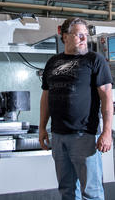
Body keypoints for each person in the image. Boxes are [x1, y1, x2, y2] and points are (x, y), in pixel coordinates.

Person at [39, 17, 113, 200]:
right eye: (79, 35)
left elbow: (106, 97)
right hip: (58, 136)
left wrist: (106, 132)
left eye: (85, 35)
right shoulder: (52, 62)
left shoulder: (94, 60)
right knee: (67, 190)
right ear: (65, 36)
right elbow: (46, 97)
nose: (83, 39)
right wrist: (42, 127)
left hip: (84, 135)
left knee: (91, 192)